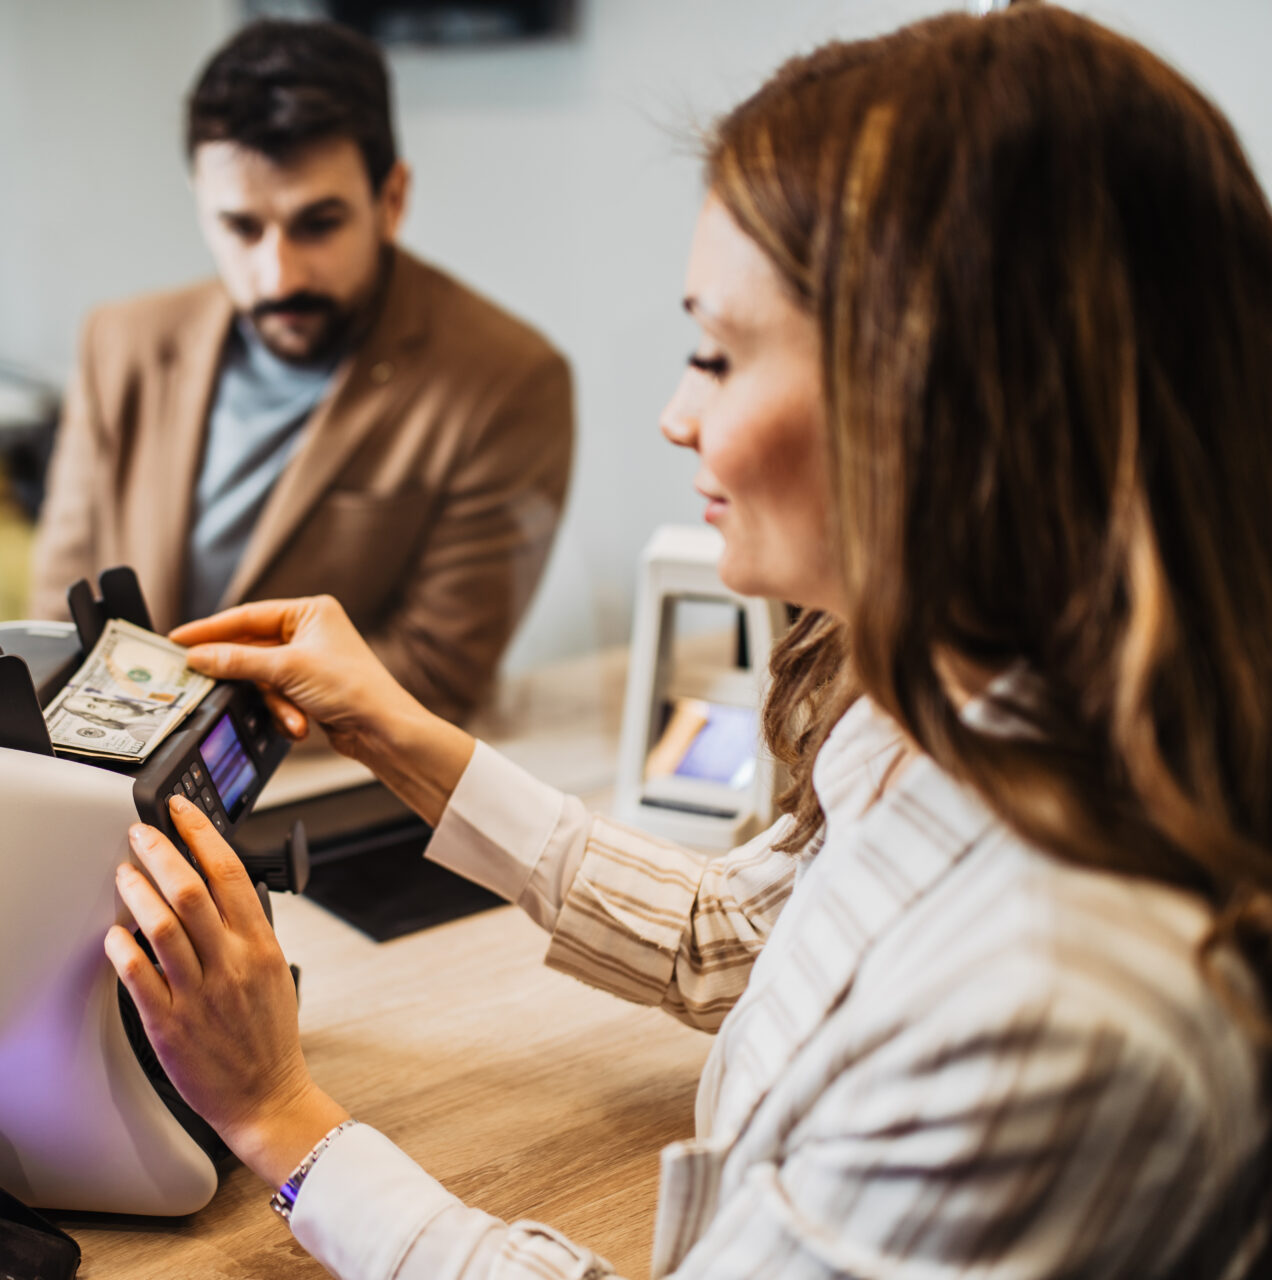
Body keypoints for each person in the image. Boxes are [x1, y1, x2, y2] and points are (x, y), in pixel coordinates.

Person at [100, 7, 1272, 1277]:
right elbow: (733, 937)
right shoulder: (956, 708)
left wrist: (286, 1119)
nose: (673, 414)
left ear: (940, 402)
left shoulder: (1045, 1010)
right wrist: (405, 735)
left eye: (716, 353)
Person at [28, 20, 574, 723]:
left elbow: (440, 670)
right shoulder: (120, 344)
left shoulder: (508, 381)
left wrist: (181, 727)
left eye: (318, 224)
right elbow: (56, 616)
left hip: (330, 786)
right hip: (113, 774)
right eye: (241, 227)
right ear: (199, 202)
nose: (277, 274)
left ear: (393, 200)